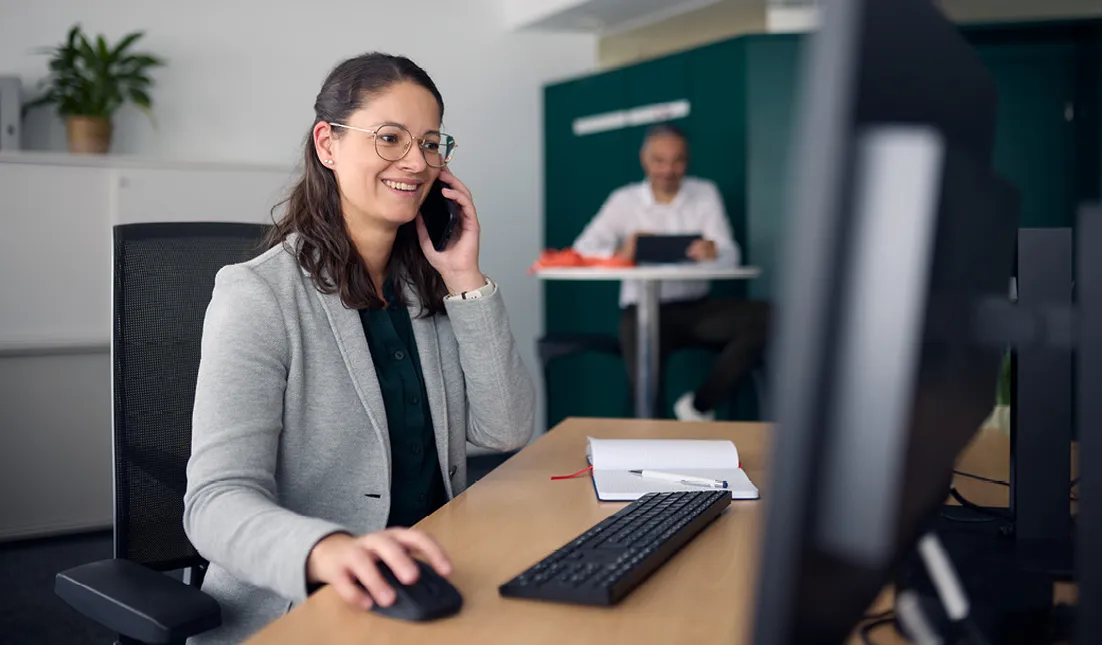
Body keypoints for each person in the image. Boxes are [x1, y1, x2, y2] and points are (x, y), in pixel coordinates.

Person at [182, 52, 536, 644]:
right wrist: (329, 550)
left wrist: (466, 277)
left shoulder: (425, 285)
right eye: (390, 138)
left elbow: (505, 431)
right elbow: (214, 503)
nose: (416, 162)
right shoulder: (258, 295)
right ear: (328, 144)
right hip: (307, 610)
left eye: (430, 143)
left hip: (435, 583)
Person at [572, 123, 769, 421]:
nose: (668, 169)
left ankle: (698, 407)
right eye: (659, 160)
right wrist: (620, 254)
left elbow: (732, 254)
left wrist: (713, 252)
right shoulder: (623, 201)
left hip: (696, 310)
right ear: (644, 159)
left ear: (687, 161)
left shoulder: (705, 194)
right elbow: (582, 250)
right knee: (645, 391)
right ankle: (646, 452)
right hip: (641, 311)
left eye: (677, 160)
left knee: (769, 317)